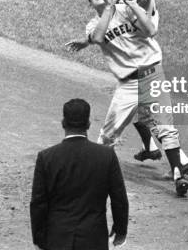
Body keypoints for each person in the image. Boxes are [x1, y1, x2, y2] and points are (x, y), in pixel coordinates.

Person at [75, 0, 188, 196]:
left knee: (166, 128)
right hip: (127, 85)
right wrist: (109, 7)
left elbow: (150, 30)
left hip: (152, 76)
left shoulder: (126, 10)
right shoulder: (93, 24)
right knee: (108, 135)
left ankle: (178, 175)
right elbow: (98, 37)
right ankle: (97, 175)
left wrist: (131, 4)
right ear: (90, 4)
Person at [30, 98, 128, 250]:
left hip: (57, 239)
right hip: (93, 239)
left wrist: (39, 238)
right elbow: (119, 198)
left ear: (63, 123)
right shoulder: (106, 156)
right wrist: (120, 231)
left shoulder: (46, 157)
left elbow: (38, 203)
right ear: (88, 124)